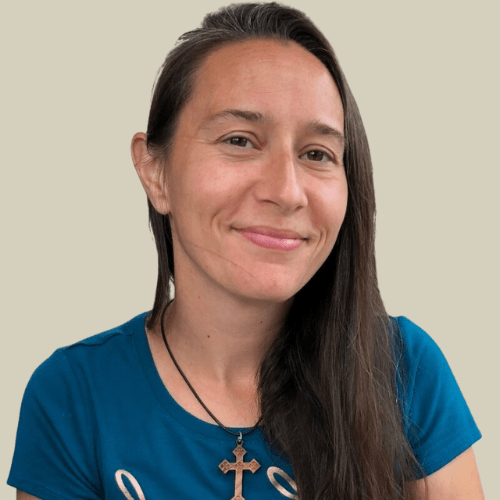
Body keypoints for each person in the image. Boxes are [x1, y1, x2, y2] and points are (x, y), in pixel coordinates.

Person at [8, 3, 484, 499]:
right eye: (240, 140)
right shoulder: (74, 395)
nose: (286, 191)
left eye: (316, 153)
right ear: (155, 173)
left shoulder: (404, 371)